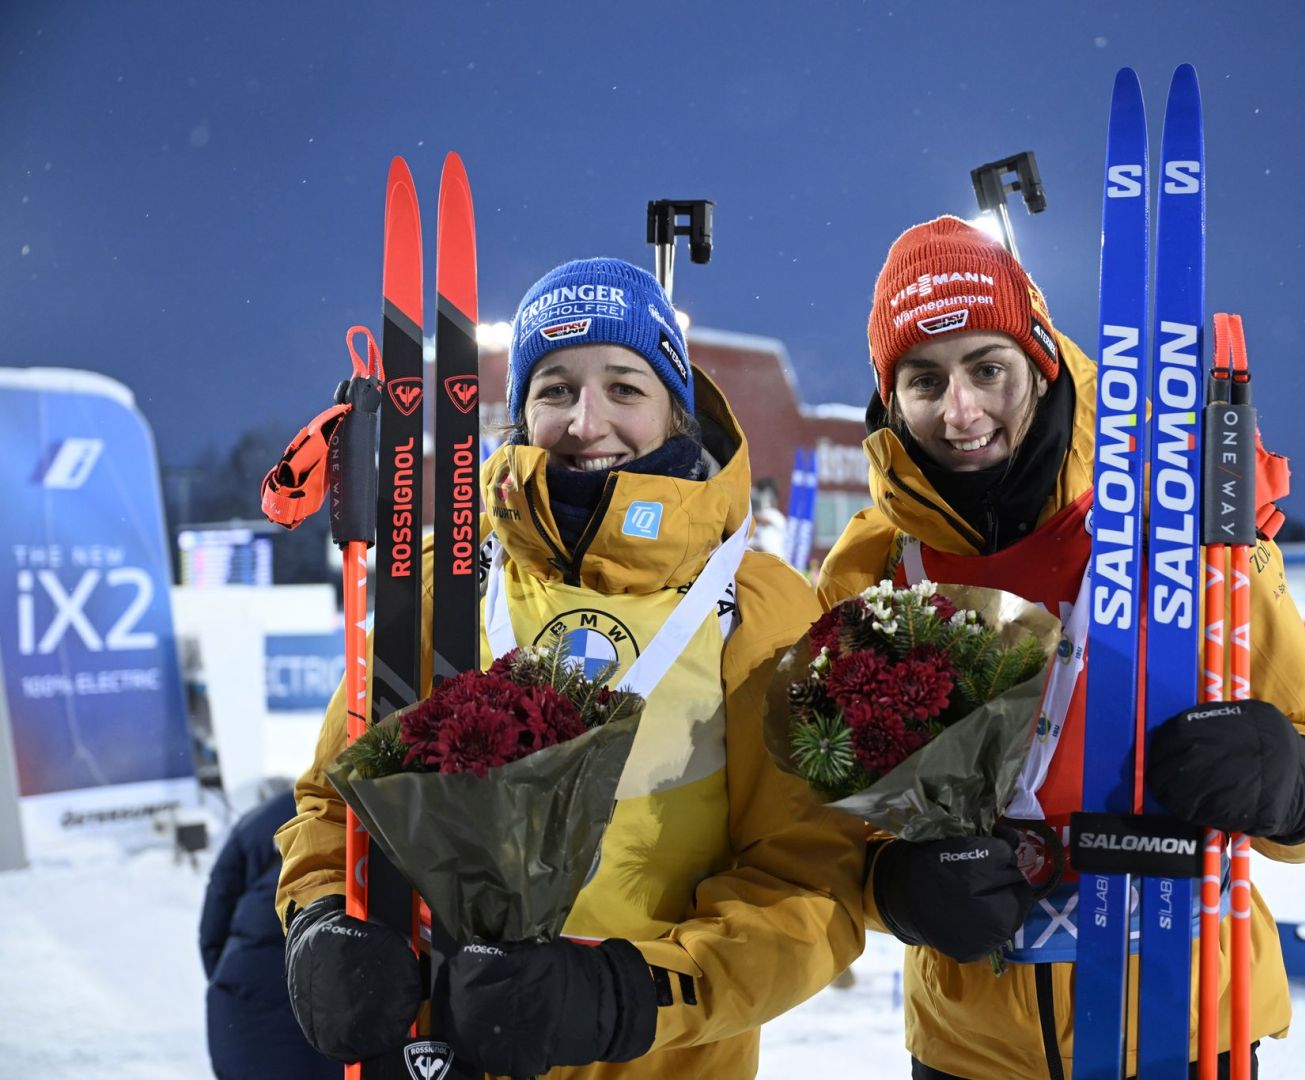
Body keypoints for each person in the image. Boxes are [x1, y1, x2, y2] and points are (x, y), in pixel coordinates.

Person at [274, 257, 867, 1078]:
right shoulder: (450, 583)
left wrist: (625, 995)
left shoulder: (760, 607)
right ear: (519, 414)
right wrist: (322, 920)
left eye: (625, 386)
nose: (587, 421)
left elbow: (816, 883)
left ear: (674, 411)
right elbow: (333, 808)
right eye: (554, 389)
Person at [815, 217, 1305, 1079]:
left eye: (986, 369)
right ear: (889, 397)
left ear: (1038, 359)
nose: (960, 411)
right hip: (971, 1045)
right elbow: (836, 818)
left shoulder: (1178, 517)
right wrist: (896, 887)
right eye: (924, 379)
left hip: (1189, 1021)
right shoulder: (874, 565)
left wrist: (1285, 781)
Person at [199, 787, 341, 1080]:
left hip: (245, 996)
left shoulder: (261, 819)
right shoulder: (367, 806)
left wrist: (230, 980)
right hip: (336, 995)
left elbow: (214, 920)